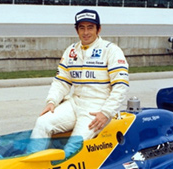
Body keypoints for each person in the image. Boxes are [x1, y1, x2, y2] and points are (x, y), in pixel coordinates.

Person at [28, 9, 130, 157]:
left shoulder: (112, 50)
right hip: (75, 103)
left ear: (98, 29)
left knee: (73, 146)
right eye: (82, 28)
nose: (86, 32)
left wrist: (106, 113)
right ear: (77, 30)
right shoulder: (71, 51)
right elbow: (61, 81)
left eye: (90, 27)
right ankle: (30, 167)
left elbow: (120, 86)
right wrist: (52, 101)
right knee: (42, 123)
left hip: (97, 107)